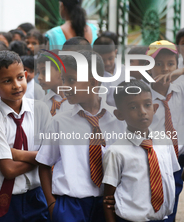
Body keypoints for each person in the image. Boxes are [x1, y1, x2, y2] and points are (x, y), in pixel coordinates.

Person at [36, 50, 125, 222]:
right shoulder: (60, 122)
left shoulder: (117, 120)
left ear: (93, 81)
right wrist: (52, 205)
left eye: (71, 80)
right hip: (69, 206)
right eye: (63, 80)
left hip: (107, 202)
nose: (65, 86)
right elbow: (44, 164)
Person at [0, 51, 51, 222]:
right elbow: (9, 170)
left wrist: (14, 153)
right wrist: (41, 157)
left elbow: (53, 155)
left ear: (26, 76)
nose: (16, 85)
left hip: (36, 195)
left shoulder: (40, 109)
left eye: (20, 77)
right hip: (4, 202)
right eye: (7, 81)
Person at [103, 80, 180, 221]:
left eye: (147, 105)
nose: (143, 112)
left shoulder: (165, 141)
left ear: (155, 108)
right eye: (133, 107)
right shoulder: (116, 151)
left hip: (164, 218)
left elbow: (171, 179)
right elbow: (108, 198)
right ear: (119, 114)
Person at [145, 40, 184, 221]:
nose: (165, 69)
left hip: (177, 161)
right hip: (152, 160)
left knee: (171, 209)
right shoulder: (142, 95)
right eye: (158, 64)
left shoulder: (181, 89)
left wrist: (180, 72)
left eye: (170, 64)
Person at [36, 51, 72, 116]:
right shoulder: (41, 105)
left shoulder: (77, 102)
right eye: (38, 73)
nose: (39, 77)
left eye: (44, 72)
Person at [93, 35, 125, 107]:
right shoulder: (93, 76)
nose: (107, 63)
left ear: (115, 52)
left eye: (110, 58)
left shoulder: (125, 71)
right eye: (102, 60)